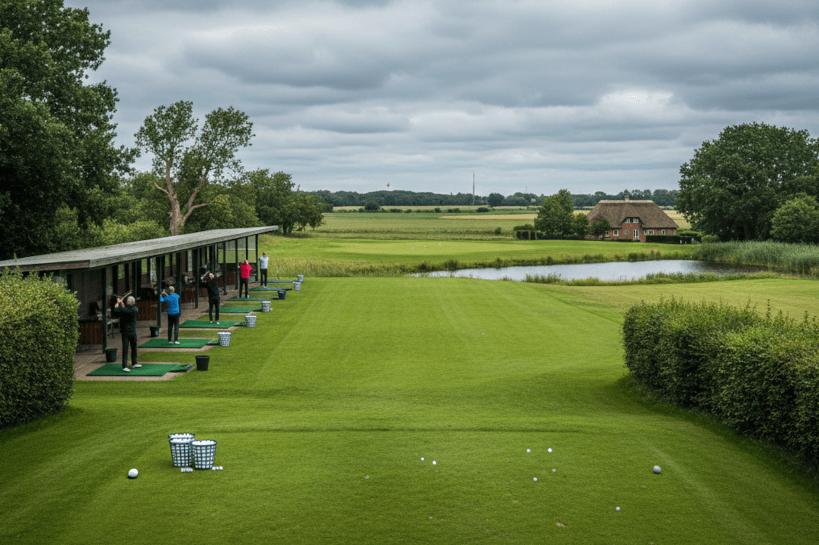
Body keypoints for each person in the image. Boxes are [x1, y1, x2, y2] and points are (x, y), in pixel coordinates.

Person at [112, 295, 141, 372]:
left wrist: (118, 302)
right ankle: (134, 363)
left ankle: (125, 366)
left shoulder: (124, 310)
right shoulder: (135, 309)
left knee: (125, 349)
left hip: (125, 332)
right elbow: (124, 309)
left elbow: (116, 309)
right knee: (134, 348)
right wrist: (121, 302)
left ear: (127, 303)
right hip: (133, 332)